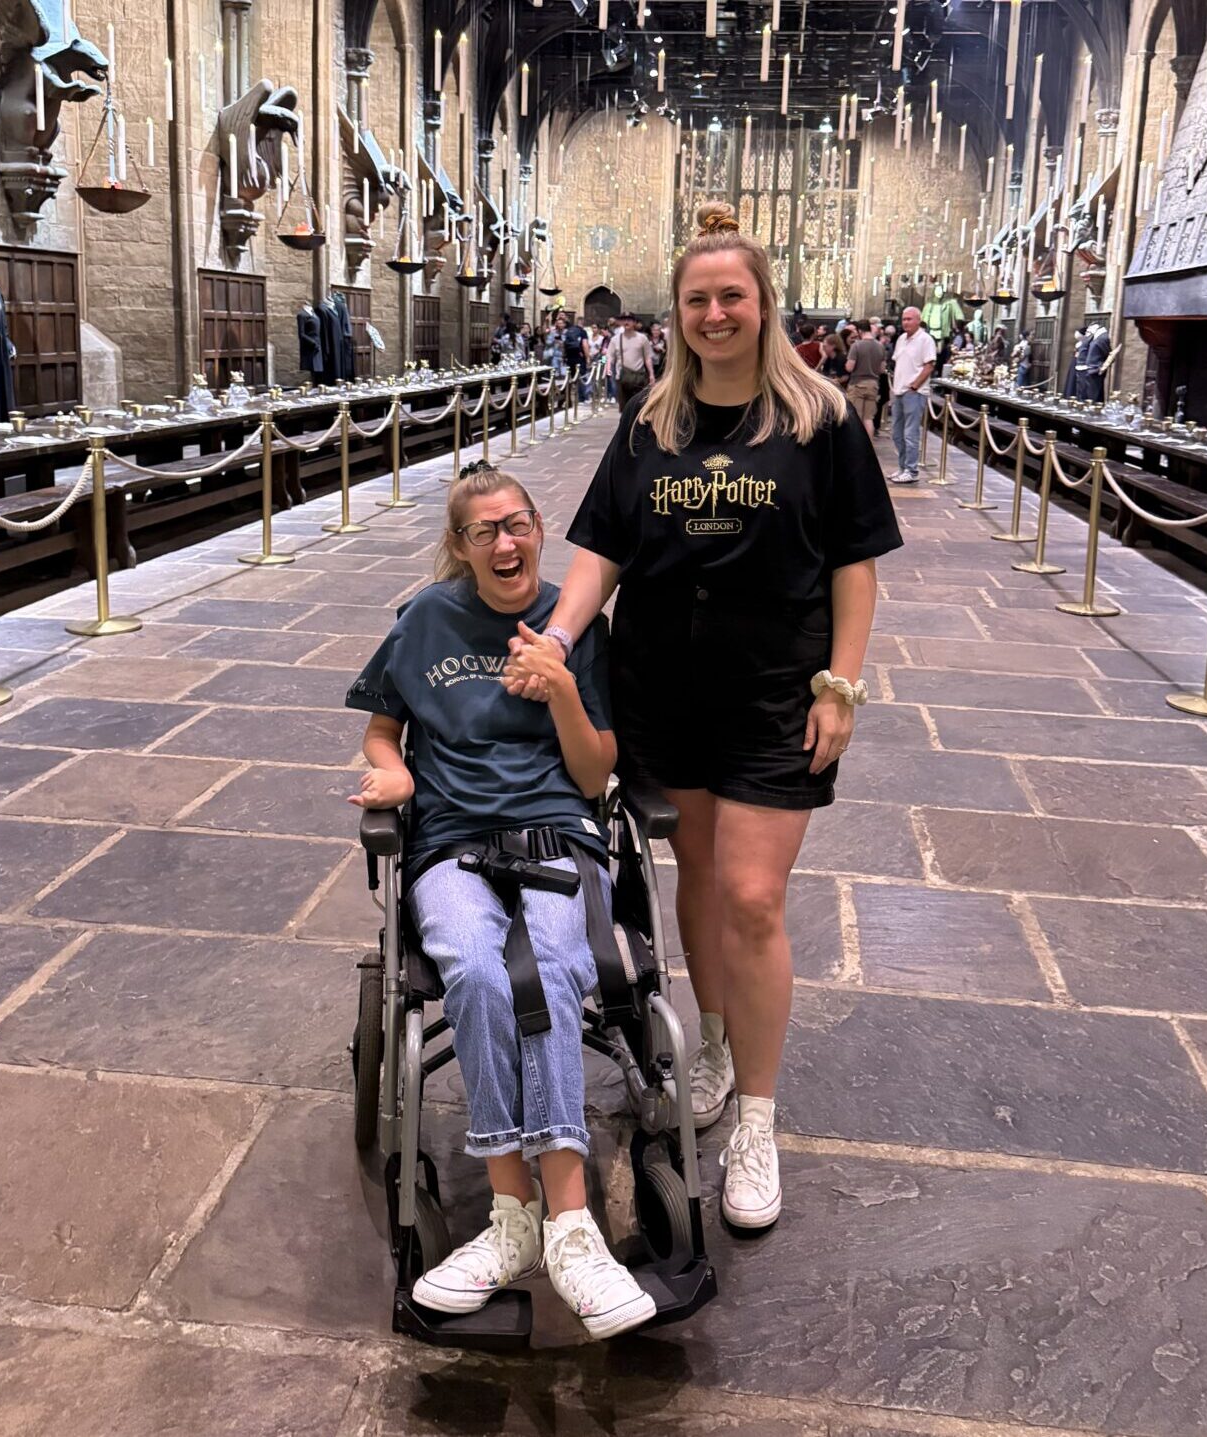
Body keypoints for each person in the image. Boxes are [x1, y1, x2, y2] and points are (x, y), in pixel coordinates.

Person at [502, 202, 902, 1232]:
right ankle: (712, 1049)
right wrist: (558, 635)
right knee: (692, 879)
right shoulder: (651, 422)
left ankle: (759, 1118)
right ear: (676, 313)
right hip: (662, 686)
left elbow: (854, 570)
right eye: (697, 299)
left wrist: (841, 685)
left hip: (775, 689)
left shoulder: (817, 421)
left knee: (752, 896)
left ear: (762, 304)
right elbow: (600, 548)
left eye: (731, 296)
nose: (714, 313)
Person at [344, 463, 658, 1342]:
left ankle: (569, 1225)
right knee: (479, 971)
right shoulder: (424, 622)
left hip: (560, 833)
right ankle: (512, 1214)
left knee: (554, 966)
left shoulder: (574, 621)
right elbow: (381, 722)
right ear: (460, 545)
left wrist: (558, 683)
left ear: (540, 526)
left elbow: (596, 772)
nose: (507, 542)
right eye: (486, 531)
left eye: (517, 523)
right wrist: (397, 767)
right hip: (449, 841)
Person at [888, 305, 936, 485]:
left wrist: (915, 385)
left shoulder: (925, 340)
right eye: (904, 319)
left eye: (909, 319)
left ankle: (911, 470)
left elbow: (929, 365)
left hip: (913, 392)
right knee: (897, 433)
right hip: (899, 390)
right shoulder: (901, 339)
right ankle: (902, 467)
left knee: (910, 433)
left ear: (918, 320)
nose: (906, 322)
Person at [605, 312, 656, 413]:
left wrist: (651, 375)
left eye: (629, 319)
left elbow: (647, 357)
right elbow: (609, 357)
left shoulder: (642, 338)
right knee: (624, 408)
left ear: (634, 322)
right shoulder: (615, 339)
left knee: (639, 407)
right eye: (624, 319)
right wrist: (607, 369)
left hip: (639, 377)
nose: (626, 322)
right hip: (622, 377)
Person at [844, 322, 887, 438]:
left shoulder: (856, 346)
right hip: (873, 385)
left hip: (857, 384)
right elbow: (882, 369)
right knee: (868, 419)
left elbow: (849, 367)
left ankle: (857, 448)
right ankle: (870, 447)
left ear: (859, 331)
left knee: (856, 419)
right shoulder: (880, 346)